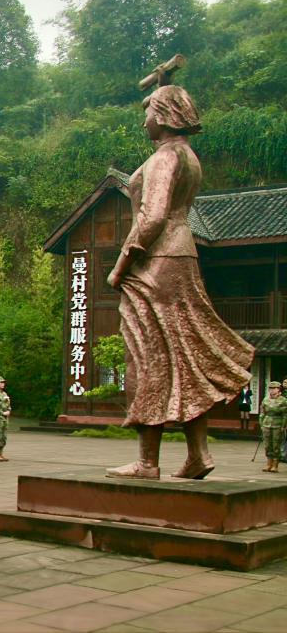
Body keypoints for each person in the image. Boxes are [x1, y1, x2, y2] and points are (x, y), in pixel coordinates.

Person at [105, 81, 253, 479]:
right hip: (182, 254)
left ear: (165, 114)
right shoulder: (188, 156)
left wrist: (120, 266)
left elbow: (151, 217)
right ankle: (197, 453)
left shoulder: (164, 158)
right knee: (182, 353)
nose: (144, 121)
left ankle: (148, 462)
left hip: (157, 261)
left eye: (149, 112)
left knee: (148, 352)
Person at [260, 382, 286, 473]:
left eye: (274, 388)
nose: (272, 390)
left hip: (277, 423)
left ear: (278, 389)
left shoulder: (283, 400)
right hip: (267, 423)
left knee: (276, 444)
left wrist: (283, 426)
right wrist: (261, 424)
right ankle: (268, 463)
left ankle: (275, 465)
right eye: (270, 388)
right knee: (267, 444)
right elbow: (262, 413)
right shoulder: (265, 400)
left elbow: (285, 415)